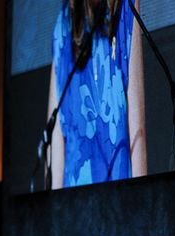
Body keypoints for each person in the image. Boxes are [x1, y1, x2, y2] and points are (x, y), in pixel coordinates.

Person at [47, 0, 146, 188]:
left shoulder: (127, 7)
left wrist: (142, 207)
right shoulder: (63, 24)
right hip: (74, 206)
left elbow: (137, 134)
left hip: (119, 203)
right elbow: (54, 141)